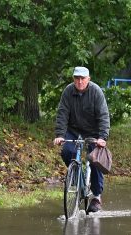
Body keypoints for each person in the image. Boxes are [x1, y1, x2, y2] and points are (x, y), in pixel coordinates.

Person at [53, 66, 110, 213]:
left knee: (95, 159)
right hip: (73, 131)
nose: (79, 81)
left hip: (93, 132)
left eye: (82, 78)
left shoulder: (96, 91)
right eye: (77, 78)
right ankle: (76, 176)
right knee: (67, 151)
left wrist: (102, 137)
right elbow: (62, 113)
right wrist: (60, 135)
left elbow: (103, 115)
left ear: (88, 79)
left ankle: (96, 196)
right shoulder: (68, 91)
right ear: (73, 79)